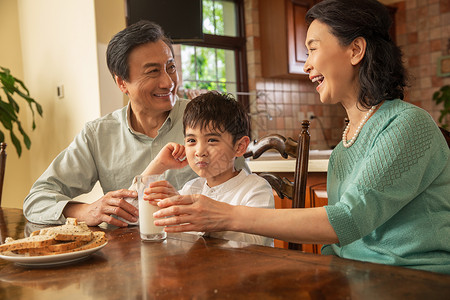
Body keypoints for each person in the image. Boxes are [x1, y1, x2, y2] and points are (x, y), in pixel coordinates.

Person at [150, 0, 450, 274]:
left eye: (313, 49)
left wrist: (225, 215)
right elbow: (342, 240)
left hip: (412, 278)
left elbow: (348, 220)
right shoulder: (346, 143)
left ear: (356, 50)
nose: (306, 64)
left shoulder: (407, 123)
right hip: (354, 275)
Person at [23, 20, 247, 227]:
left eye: (171, 67)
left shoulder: (208, 122)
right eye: (153, 72)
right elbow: (37, 200)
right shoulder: (97, 135)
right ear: (122, 82)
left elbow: (243, 192)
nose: (168, 82)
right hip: (127, 261)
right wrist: (87, 211)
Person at [130, 91, 274, 246]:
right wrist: (159, 164)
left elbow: (256, 243)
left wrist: (195, 216)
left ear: (239, 147)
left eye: (212, 140)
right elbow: (129, 215)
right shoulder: (191, 188)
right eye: (191, 140)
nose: (199, 151)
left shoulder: (255, 189)